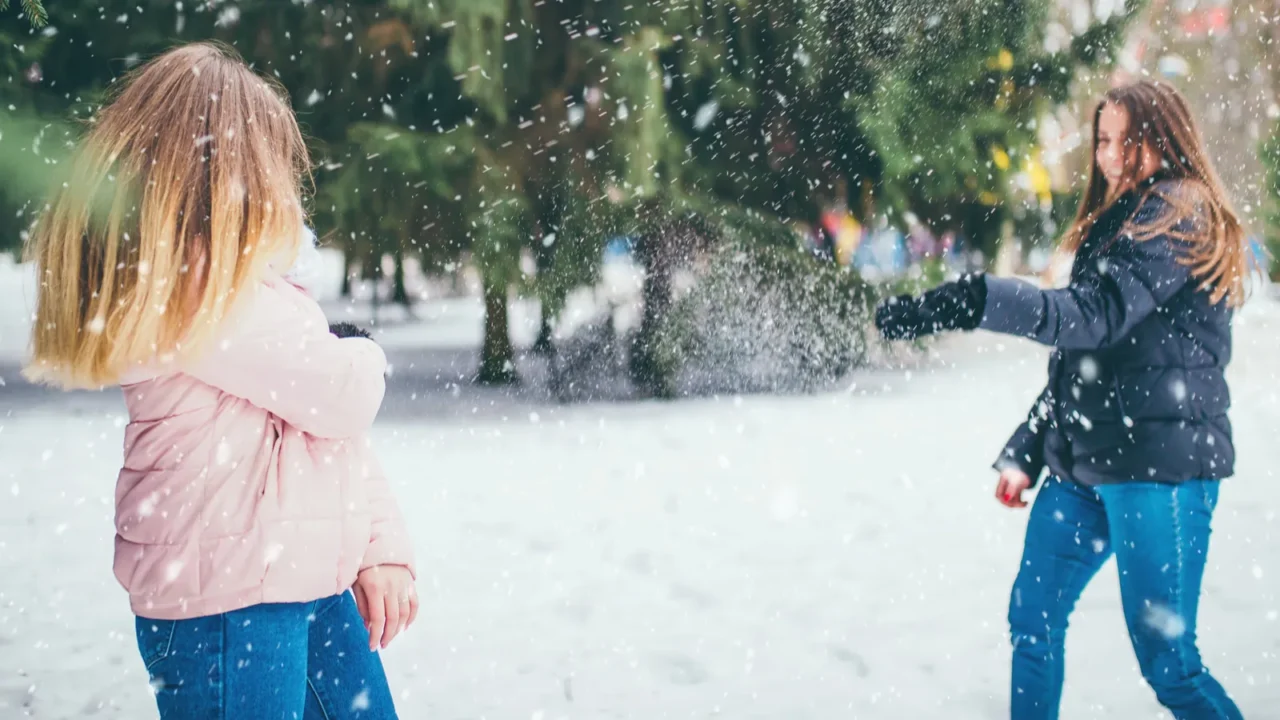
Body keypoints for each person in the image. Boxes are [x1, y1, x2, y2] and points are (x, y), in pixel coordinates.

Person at [21, 42, 417, 719]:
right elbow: (343, 398)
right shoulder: (193, 292)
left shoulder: (258, 288)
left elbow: (327, 436)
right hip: (231, 607)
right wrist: (360, 351)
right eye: (269, 163)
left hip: (299, 582)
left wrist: (381, 549)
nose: (284, 184)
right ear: (219, 172)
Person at [874, 80, 1247, 719]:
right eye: (1103, 139)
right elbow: (1087, 361)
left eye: (1126, 139)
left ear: (1164, 139)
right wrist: (1029, 447)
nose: (1110, 155)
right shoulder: (1119, 220)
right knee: (1033, 619)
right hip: (1088, 467)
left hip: (1160, 471)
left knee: (1170, 667)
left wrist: (977, 299)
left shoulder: (1178, 213)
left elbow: (1092, 318)